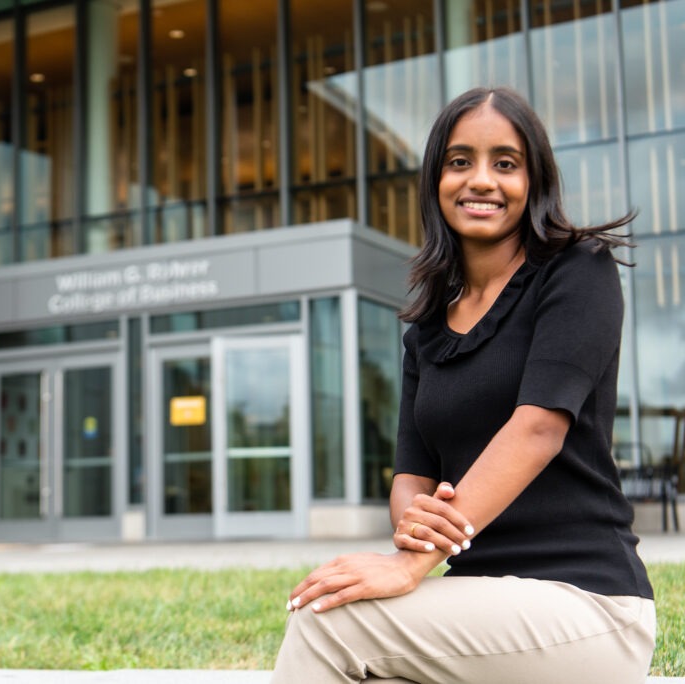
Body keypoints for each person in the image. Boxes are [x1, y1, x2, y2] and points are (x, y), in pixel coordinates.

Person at [270, 86, 655, 684]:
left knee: (327, 622)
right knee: (344, 627)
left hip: (585, 602)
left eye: (505, 163)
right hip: (479, 600)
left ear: (535, 181)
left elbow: (537, 430)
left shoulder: (578, 271)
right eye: (459, 162)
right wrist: (413, 521)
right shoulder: (426, 329)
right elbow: (412, 476)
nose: (481, 180)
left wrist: (408, 563)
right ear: (435, 181)